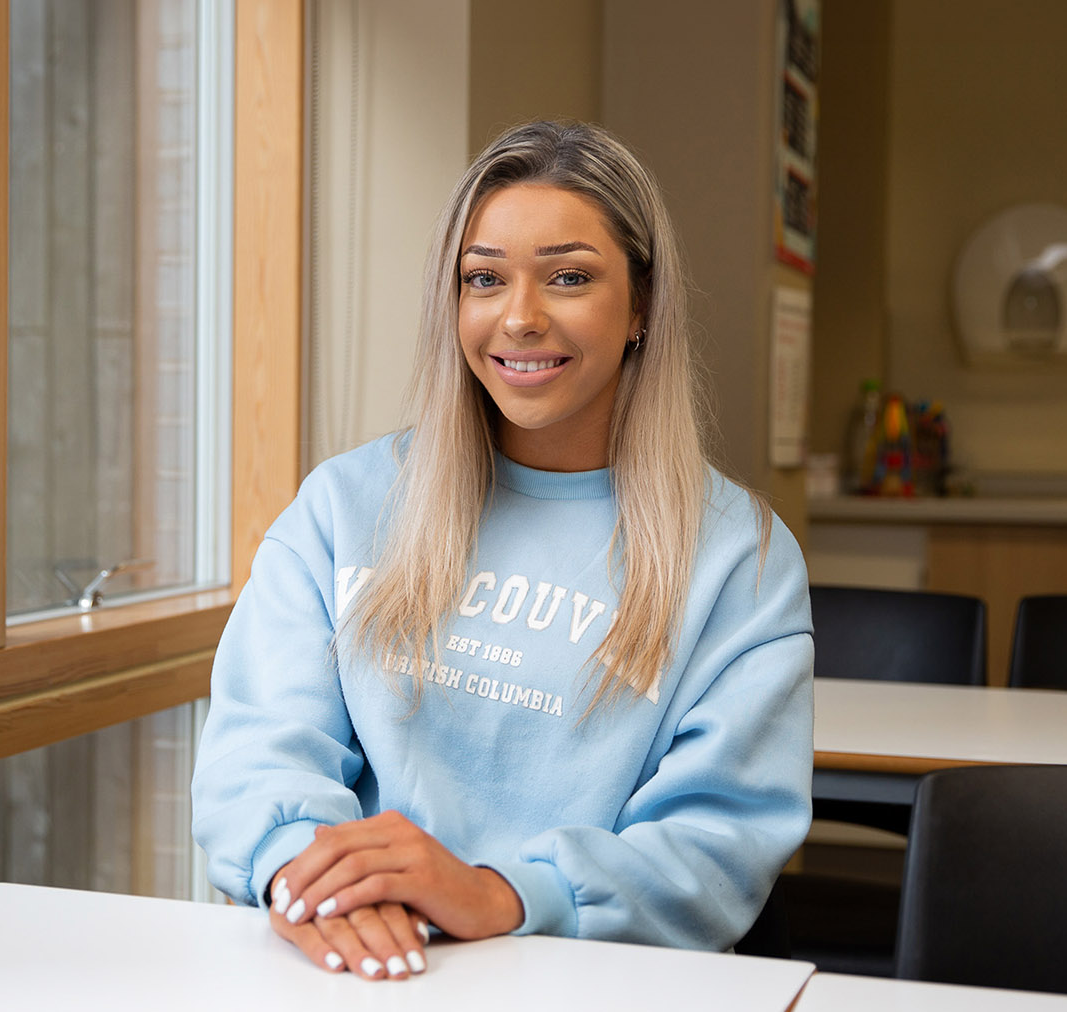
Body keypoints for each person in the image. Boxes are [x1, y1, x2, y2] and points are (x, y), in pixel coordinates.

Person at [191, 121, 813, 981]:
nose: (519, 317)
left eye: (568, 277)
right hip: (363, 970)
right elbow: (258, 754)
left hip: (592, 984)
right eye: (483, 278)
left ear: (640, 306)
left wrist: (504, 894)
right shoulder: (344, 505)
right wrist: (314, 875)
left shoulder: (738, 557)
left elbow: (718, 844)